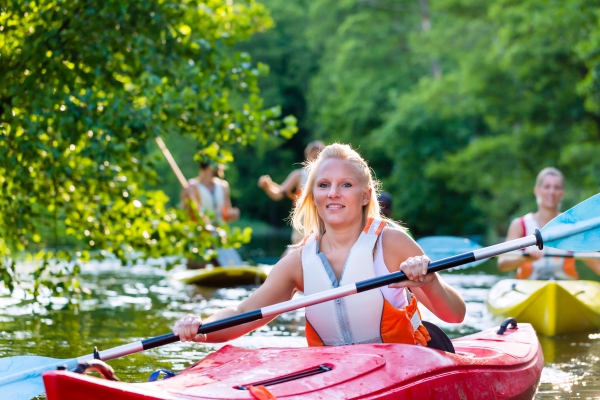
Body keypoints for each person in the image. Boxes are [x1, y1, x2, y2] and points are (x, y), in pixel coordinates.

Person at [174, 143, 465, 348]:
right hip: (333, 377)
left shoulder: (391, 243)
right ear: (312, 194)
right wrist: (202, 328)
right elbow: (242, 313)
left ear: (365, 196)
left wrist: (429, 282)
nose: (333, 194)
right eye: (323, 185)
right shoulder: (298, 260)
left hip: (403, 368)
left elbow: (455, 314)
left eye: (346, 185)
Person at [497, 167, 600, 279]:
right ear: (537, 191)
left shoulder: (573, 227)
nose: (552, 192)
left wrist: (585, 251)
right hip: (529, 288)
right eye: (547, 187)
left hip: (565, 288)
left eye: (557, 188)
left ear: (562, 193)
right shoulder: (519, 225)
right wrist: (524, 257)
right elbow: (502, 264)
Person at [258, 140, 325, 246]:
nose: (315, 155)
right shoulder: (298, 175)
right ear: (307, 154)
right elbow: (279, 194)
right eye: (313, 152)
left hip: (322, 224)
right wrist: (267, 186)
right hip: (303, 225)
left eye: (319, 152)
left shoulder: (330, 175)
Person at [180, 156, 242, 268]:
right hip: (199, 239)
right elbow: (184, 216)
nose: (221, 166)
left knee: (233, 267)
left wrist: (233, 214)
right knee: (196, 267)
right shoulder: (191, 188)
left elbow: (226, 216)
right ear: (210, 165)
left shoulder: (223, 186)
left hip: (219, 238)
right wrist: (186, 198)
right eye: (218, 163)